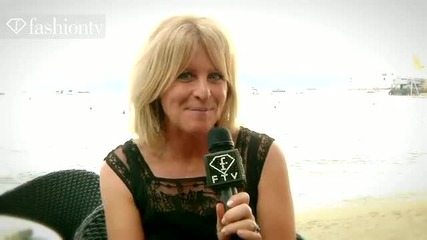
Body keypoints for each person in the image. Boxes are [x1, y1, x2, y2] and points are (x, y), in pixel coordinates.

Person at [99, 14, 296, 240]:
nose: (204, 92)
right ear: (154, 84)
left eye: (215, 76)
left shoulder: (264, 156)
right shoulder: (122, 170)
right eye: (186, 75)